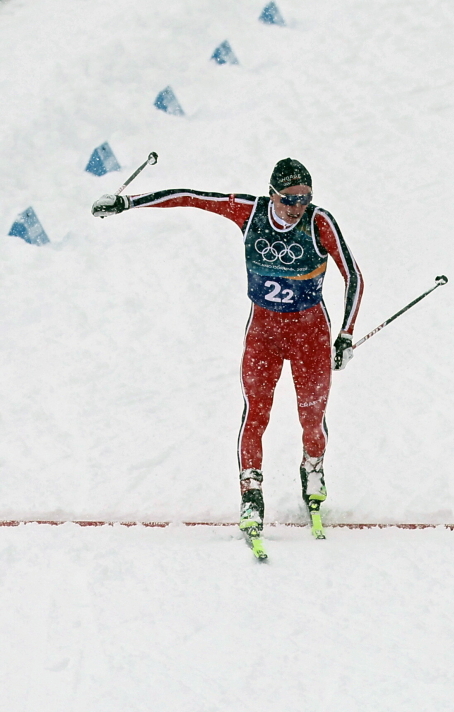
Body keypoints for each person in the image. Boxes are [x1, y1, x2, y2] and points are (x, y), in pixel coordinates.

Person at [93, 158, 363, 537]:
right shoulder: (249, 212)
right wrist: (128, 203)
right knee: (256, 415)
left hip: (310, 337)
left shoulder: (319, 222)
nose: (296, 207)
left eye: (305, 198)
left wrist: (346, 334)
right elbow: (190, 197)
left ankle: (313, 470)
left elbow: (353, 275)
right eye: (289, 199)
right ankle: (251, 494)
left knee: (311, 417)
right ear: (272, 195)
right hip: (264, 336)